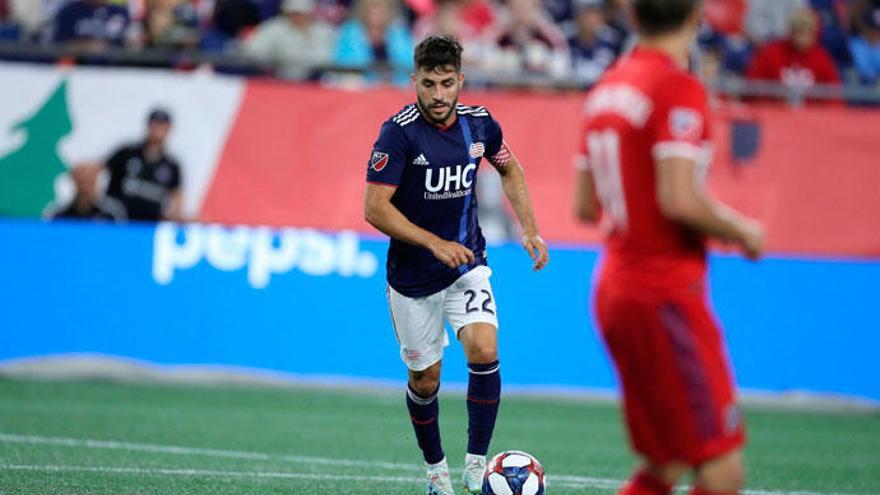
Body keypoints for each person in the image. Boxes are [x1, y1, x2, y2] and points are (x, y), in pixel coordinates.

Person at [573, 1, 765, 495]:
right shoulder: (679, 88)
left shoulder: (605, 90)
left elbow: (586, 206)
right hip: (664, 293)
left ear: (633, 19)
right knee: (722, 472)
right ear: (697, 18)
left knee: (666, 464)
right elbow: (678, 198)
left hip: (614, 287)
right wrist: (741, 229)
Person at [363, 35, 549, 495]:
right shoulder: (397, 133)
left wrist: (529, 228)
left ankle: (476, 465)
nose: (439, 94)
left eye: (447, 83)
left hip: (467, 262)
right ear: (415, 82)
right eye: (429, 83)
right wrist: (433, 242)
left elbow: (510, 168)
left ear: (460, 80)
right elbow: (374, 208)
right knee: (426, 380)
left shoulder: (481, 126)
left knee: (484, 351)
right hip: (412, 279)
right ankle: (435, 471)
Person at [104, 108, 185, 222]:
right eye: (155, 125)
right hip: (118, 221)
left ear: (169, 129)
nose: (157, 130)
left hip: (149, 226)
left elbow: (176, 196)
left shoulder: (172, 165)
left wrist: (173, 213)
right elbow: (99, 170)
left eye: (162, 126)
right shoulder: (127, 153)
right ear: (148, 126)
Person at [746, 7, 841, 88]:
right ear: (790, 32)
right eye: (798, 32)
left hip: (810, 109)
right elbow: (754, 86)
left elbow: (833, 95)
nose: (801, 39)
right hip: (775, 108)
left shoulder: (822, 59)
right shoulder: (771, 53)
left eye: (806, 33)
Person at [242, 0, 337, 80]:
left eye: (301, 14)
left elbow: (331, 58)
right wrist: (275, 60)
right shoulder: (274, 27)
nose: (297, 17)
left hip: (315, 81)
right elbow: (253, 50)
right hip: (280, 80)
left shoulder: (324, 30)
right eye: (293, 13)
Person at [49, 164, 127, 222]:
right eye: (82, 181)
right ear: (74, 181)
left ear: (96, 180)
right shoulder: (60, 213)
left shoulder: (111, 212)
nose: (85, 186)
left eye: (89, 180)